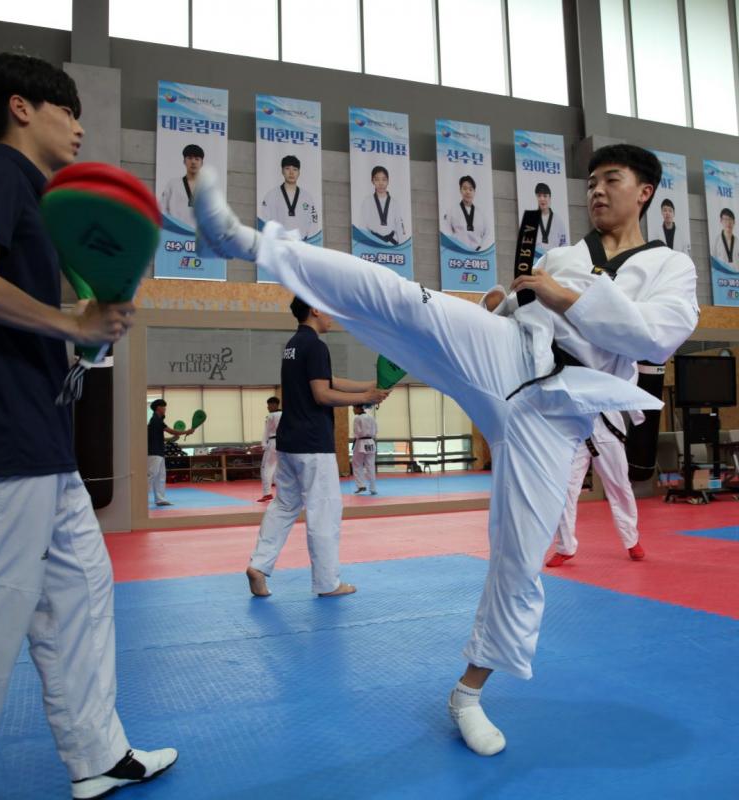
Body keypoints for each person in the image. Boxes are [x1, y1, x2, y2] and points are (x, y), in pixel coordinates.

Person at [195, 141, 699, 757]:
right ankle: (249, 242)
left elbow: (651, 338)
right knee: (405, 298)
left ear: (644, 190)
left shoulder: (670, 268)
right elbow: (523, 306)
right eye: (590, 180)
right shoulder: (568, 253)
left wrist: (558, 292)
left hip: (556, 413)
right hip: (508, 352)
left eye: (610, 180)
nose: (595, 189)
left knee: (520, 558)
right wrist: (507, 299)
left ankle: (467, 693)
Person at [0, 52, 177, 800]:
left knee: (83, 595)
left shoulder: (37, 198)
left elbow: (43, 324)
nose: (80, 125)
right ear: (22, 108)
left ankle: (99, 755)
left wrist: (85, 331)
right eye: (68, 109)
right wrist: (66, 319)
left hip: (42, 448)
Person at [244, 297, 389, 599]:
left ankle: (258, 565)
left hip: (289, 443)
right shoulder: (317, 346)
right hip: (313, 445)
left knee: (284, 506)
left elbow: (329, 380)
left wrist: (368, 388)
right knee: (324, 511)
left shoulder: (294, 345)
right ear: (315, 309)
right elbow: (323, 394)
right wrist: (364, 399)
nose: (333, 315)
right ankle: (327, 583)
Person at [545, 411, 644, 567]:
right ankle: (565, 547)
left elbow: (625, 388)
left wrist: (637, 415)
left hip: (607, 432)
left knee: (620, 487)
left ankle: (631, 539)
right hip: (575, 433)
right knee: (564, 489)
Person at [260, 153, 320, 241]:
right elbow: (265, 219)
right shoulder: (271, 195)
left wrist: (307, 240)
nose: (291, 173)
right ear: (282, 171)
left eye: (295, 169)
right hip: (279, 243)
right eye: (287, 168)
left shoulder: (307, 197)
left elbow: (313, 221)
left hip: (301, 244)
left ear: (299, 172)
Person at [148, 398, 191, 507]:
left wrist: (171, 439)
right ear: (158, 408)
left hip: (159, 452)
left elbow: (160, 438)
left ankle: (160, 499)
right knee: (151, 475)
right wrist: (187, 431)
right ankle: (140, 498)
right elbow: (172, 430)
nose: (165, 409)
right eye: (164, 407)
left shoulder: (157, 421)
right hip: (153, 452)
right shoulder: (155, 420)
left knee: (161, 476)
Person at [355, 165, 407, 245]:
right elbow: (362, 225)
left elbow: (399, 227)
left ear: (388, 181)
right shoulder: (367, 201)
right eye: (377, 179)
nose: (381, 183)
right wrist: (364, 245)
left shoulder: (394, 203)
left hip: (391, 243)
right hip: (372, 242)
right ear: (372, 181)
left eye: (384, 179)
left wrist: (402, 247)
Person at [440, 175, 493, 252]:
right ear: (460, 190)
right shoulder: (452, 211)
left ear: (474, 192)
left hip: (477, 255)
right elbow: (446, 230)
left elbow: (488, 233)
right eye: (464, 189)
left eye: (470, 189)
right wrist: (455, 246)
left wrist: (480, 247)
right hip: (458, 252)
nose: (467, 192)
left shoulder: (481, 214)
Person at [159, 143, 203, 230]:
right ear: (184, 161)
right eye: (189, 158)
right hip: (177, 234)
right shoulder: (173, 184)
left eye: (197, 159)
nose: (193, 162)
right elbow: (162, 209)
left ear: (201, 163)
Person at [532, 182, 568, 256]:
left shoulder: (558, 220)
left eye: (545, 196)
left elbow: (563, 243)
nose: (542, 199)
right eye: (539, 196)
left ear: (550, 197)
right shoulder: (531, 220)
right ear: (536, 197)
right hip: (536, 259)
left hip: (554, 259)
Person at [710, 207, 739, 272]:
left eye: (730, 219)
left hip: (737, 279)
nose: (728, 222)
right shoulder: (715, 243)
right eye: (725, 219)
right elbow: (712, 262)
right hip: (721, 279)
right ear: (721, 221)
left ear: (734, 222)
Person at [257, 395, 281, 502]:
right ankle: (284, 493)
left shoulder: (271, 416)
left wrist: (263, 444)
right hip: (284, 443)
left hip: (272, 442)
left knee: (266, 468)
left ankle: (267, 493)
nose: (268, 407)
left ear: (274, 405)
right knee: (280, 468)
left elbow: (266, 431)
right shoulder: (285, 414)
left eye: (269, 405)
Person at [351, 404, 378, 495]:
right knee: (370, 465)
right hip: (371, 442)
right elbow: (376, 430)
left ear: (359, 408)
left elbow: (357, 432)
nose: (353, 410)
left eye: (354, 408)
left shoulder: (357, 419)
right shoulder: (371, 418)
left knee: (357, 464)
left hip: (361, 443)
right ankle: (373, 488)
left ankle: (361, 485)